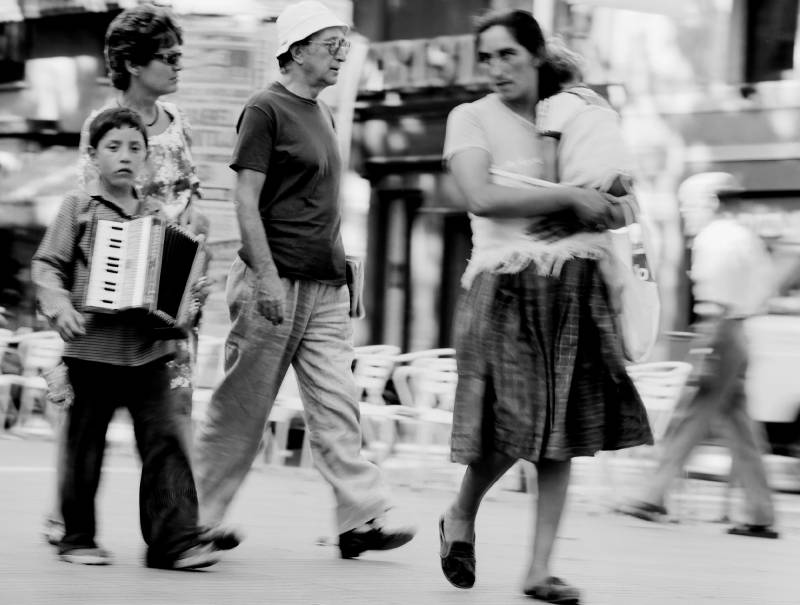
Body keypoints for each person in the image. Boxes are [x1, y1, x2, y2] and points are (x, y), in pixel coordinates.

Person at [439, 10, 653, 603]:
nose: (495, 68)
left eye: (507, 54)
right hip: (504, 287)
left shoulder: (571, 115)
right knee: (512, 428)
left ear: (535, 55)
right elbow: (480, 195)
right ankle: (461, 512)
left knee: (561, 431)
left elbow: (620, 204)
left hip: (573, 289)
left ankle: (538, 569)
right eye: (486, 57)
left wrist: (605, 202)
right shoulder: (470, 117)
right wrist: (570, 198)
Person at [192, 0, 415, 559]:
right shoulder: (264, 109)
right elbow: (245, 200)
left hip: (323, 287)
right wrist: (264, 276)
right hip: (274, 283)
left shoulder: (324, 113)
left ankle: (360, 518)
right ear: (295, 49)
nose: (341, 54)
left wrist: (345, 269)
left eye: (344, 45)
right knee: (242, 409)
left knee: (339, 403)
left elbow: (321, 205)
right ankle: (195, 519)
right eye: (330, 45)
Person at [41, 3, 210, 547]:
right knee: (88, 424)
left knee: (169, 412)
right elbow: (83, 217)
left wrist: (196, 235)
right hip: (113, 291)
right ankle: (69, 520)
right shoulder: (104, 128)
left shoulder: (179, 121)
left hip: (171, 291)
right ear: (135, 63)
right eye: (169, 56)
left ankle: (175, 528)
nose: (178, 65)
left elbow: (193, 192)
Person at [619, 171, 779, 539]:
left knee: (689, 419)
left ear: (711, 202)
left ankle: (652, 496)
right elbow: (763, 288)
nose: (686, 213)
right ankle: (761, 514)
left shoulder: (712, 238)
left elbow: (714, 301)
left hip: (719, 332)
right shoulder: (745, 236)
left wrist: (705, 348)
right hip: (739, 332)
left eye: (689, 205)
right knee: (741, 428)